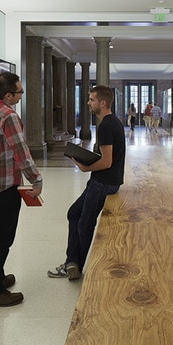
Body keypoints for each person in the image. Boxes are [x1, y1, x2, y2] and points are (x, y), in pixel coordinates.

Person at [0, 72, 43, 308]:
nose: (21, 95)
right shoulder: (9, 116)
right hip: (4, 186)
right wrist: (36, 179)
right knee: (2, 239)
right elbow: (21, 152)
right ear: (8, 94)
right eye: (19, 92)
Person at [48, 85, 125, 279]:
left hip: (103, 183)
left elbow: (107, 162)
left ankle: (74, 266)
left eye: (91, 100)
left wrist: (84, 167)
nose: (88, 103)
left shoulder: (107, 125)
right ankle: (72, 262)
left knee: (84, 223)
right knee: (74, 214)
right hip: (104, 181)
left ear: (103, 103)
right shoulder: (111, 122)